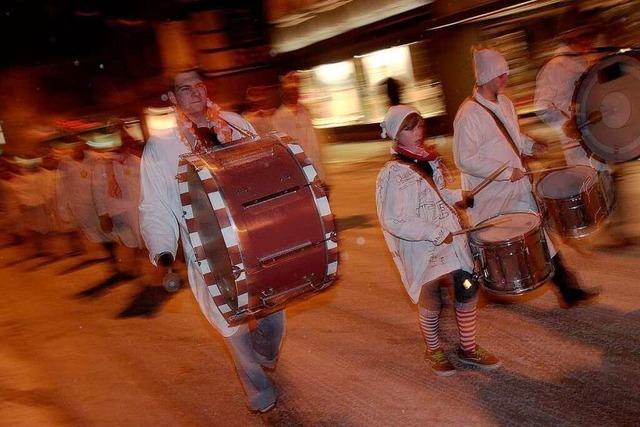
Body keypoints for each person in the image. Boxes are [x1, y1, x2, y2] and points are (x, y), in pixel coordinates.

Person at [139, 70, 283, 413]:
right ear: (173, 98)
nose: (195, 92)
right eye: (184, 88)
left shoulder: (234, 123)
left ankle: (264, 350)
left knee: (273, 310)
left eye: (199, 84)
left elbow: (262, 166)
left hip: (253, 235)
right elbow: (154, 203)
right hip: (206, 246)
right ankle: (258, 390)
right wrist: (162, 251)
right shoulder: (161, 146)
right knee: (231, 321)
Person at [453, 47, 597, 307]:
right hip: (490, 194)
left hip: (516, 188)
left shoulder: (505, 103)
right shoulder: (468, 115)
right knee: (490, 248)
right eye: (500, 75)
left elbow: (512, 136)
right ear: (486, 76)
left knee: (540, 236)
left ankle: (568, 289)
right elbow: (465, 159)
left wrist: (530, 146)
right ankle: (477, 287)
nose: (505, 79)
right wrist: (507, 171)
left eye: (505, 74)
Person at [376, 105, 500, 376]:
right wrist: (432, 233)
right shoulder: (393, 174)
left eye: (419, 125)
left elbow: (438, 194)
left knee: (467, 287)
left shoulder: (429, 160)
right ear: (396, 135)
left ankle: (467, 348)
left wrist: (458, 196)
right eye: (410, 127)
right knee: (432, 301)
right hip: (422, 248)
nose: (418, 131)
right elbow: (393, 220)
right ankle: (433, 349)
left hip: (450, 241)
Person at [272, 71, 325, 181]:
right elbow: (282, 146)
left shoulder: (305, 111)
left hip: (317, 166)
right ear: (284, 93)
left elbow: (315, 139)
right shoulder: (279, 117)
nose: (294, 94)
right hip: (299, 167)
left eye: (296, 90)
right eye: (290, 91)